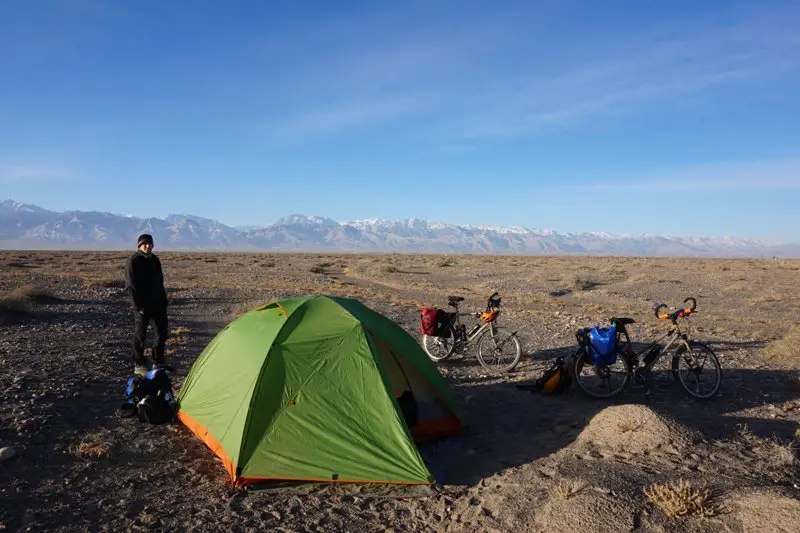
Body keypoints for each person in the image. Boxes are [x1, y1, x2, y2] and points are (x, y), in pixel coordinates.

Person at [125, 233, 169, 376]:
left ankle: (158, 360)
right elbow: (131, 286)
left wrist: (164, 300)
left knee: (162, 332)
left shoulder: (155, 260)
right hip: (142, 306)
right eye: (144, 244)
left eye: (150, 244)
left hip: (157, 303)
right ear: (139, 245)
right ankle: (139, 363)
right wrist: (138, 306)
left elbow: (160, 281)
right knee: (140, 335)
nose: (148, 246)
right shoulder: (133, 261)